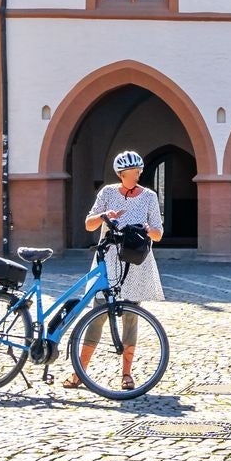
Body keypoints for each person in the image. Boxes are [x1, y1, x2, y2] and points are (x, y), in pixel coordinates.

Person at [68, 150, 164, 391]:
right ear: (121, 174)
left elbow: (158, 234)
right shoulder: (108, 193)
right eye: (133, 172)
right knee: (98, 313)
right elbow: (89, 223)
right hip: (109, 259)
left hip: (136, 261)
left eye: (139, 171)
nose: (138, 175)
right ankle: (80, 371)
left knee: (131, 317)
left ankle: (127, 374)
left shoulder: (149, 197)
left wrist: (145, 227)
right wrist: (104, 215)